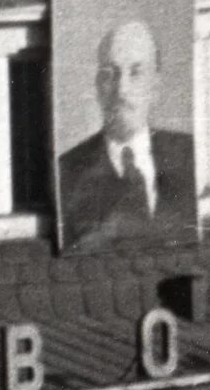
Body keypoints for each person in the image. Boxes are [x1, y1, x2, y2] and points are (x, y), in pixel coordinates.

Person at [56, 13, 196, 250]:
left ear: (156, 87)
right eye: (110, 74)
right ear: (98, 88)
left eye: (136, 73)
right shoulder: (67, 171)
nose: (122, 90)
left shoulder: (189, 153)